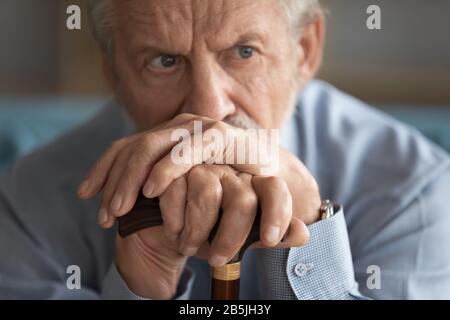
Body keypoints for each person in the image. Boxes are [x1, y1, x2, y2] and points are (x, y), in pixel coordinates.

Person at [1, 0, 450, 299]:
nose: (208, 108)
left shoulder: (414, 189)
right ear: (114, 74)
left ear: (305, 50)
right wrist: (142, 283)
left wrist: (311, 230)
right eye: (165, 61)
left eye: (244, 52)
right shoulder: (30, 200)